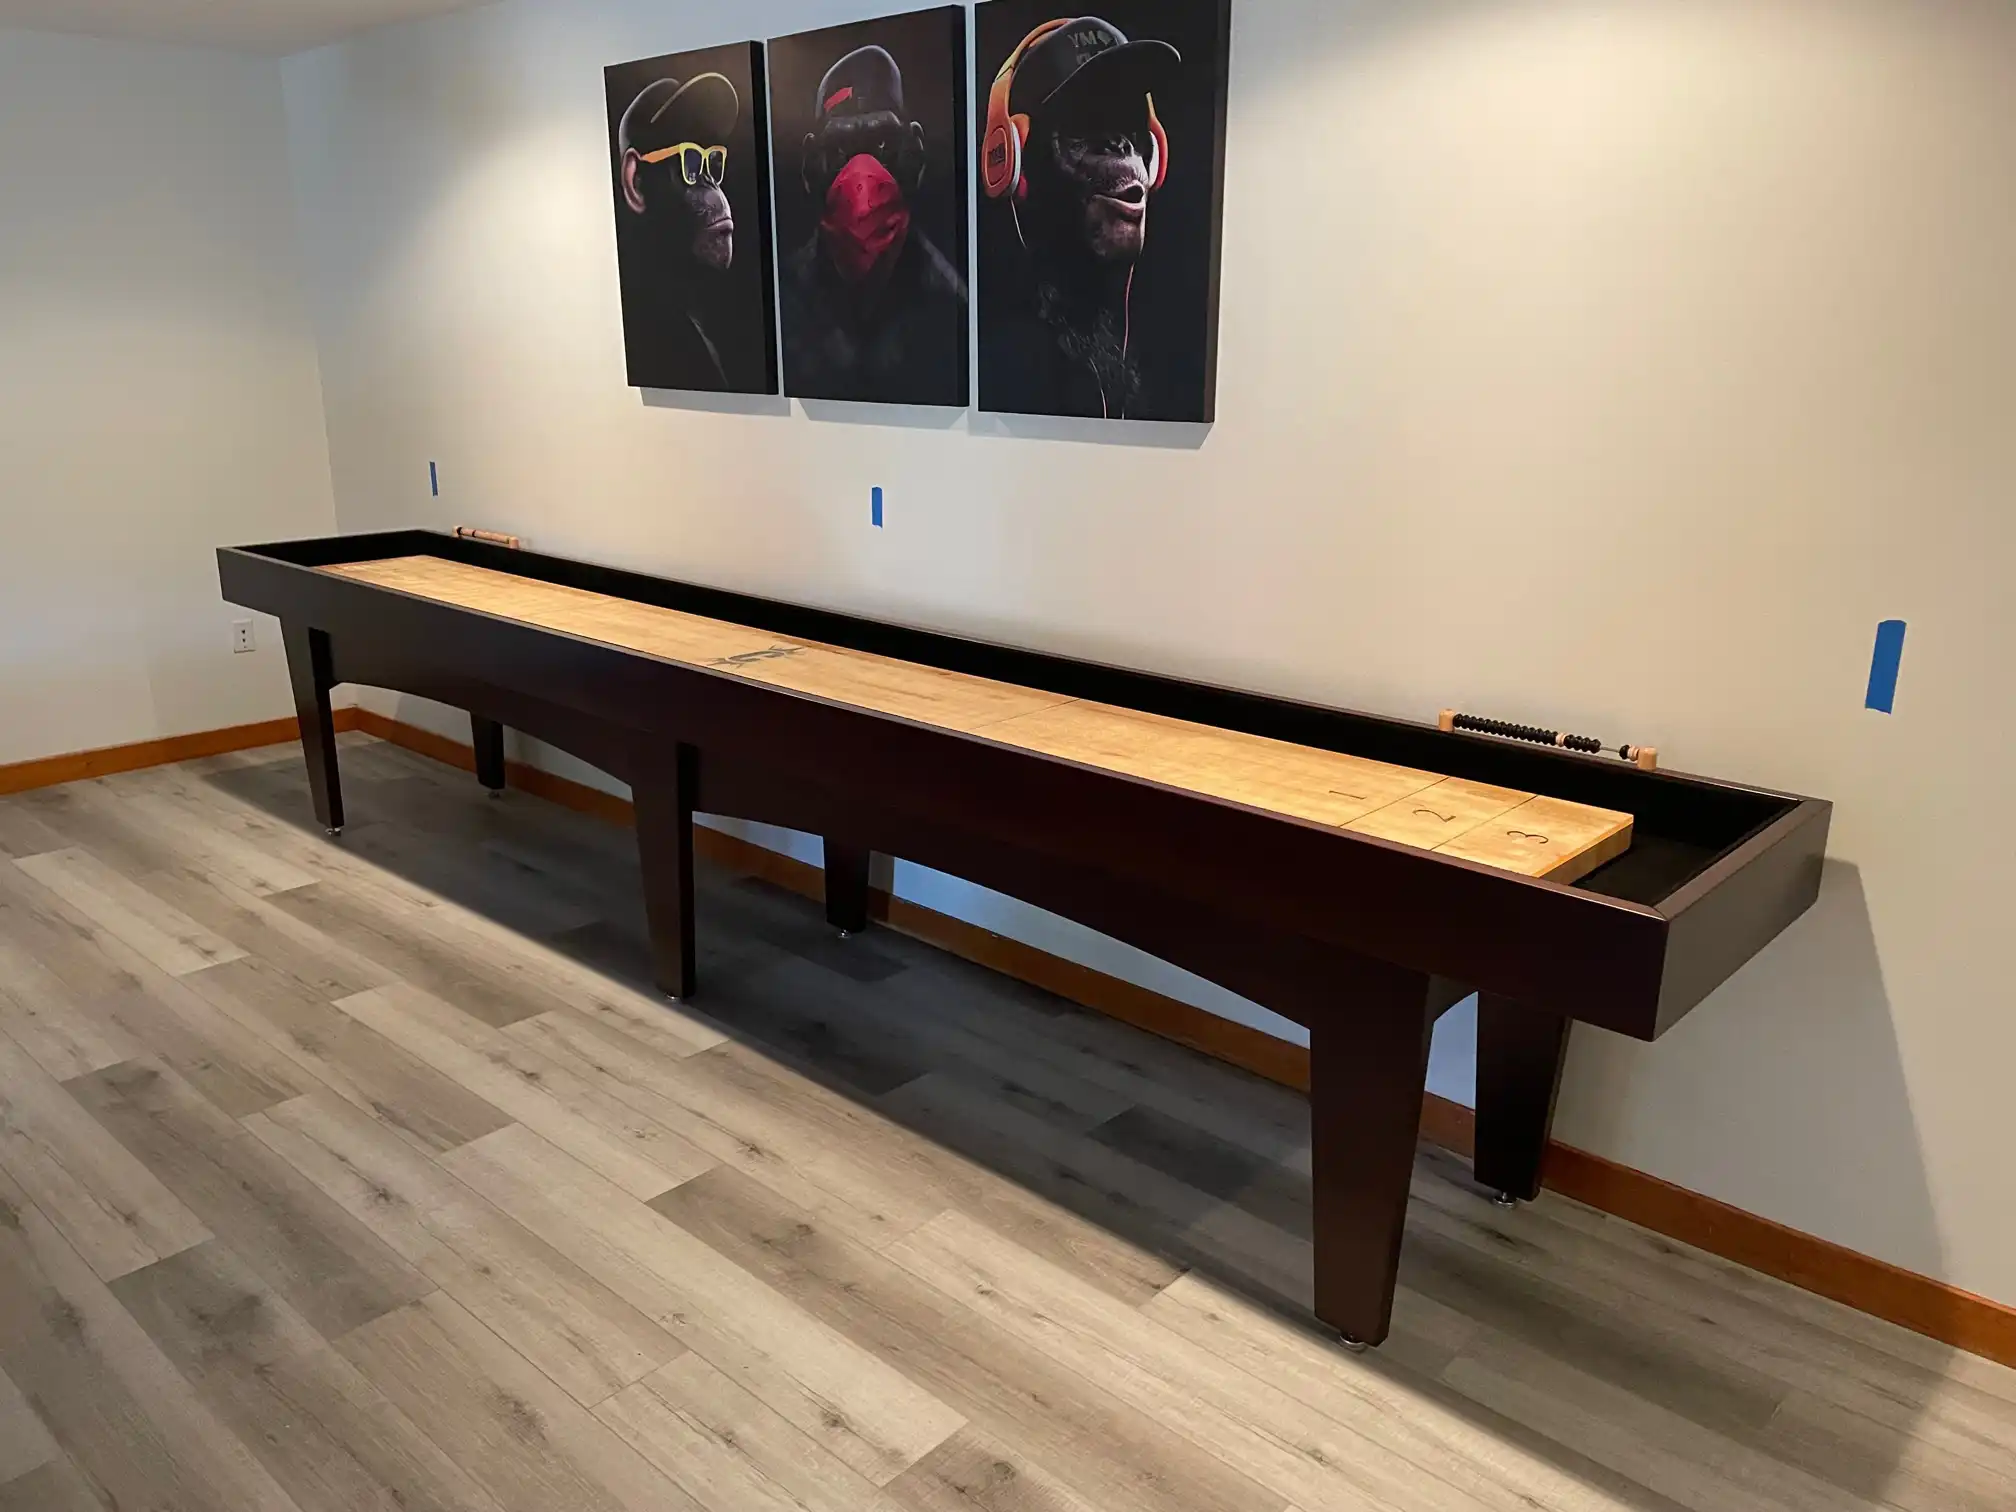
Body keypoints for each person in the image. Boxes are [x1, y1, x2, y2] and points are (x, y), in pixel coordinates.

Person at [980, 16, 1181, 419]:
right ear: (1013, 162)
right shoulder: (1002, 358)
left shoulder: (1178, 342)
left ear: (1154, 150)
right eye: (1086, 123)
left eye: (1129, 124)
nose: (1120, 145)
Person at [780, 45, 967, 405]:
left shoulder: (952, 309)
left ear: (914, 154)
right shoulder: (784, 298)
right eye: (841, 149)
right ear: (811, 164)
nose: (861, 176)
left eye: (881, 143)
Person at [614, 71, 748, 391]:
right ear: (637, 183)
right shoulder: (651, 330)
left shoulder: (703, 320)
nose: (714, 191)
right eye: (689, 163)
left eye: (712, 164)